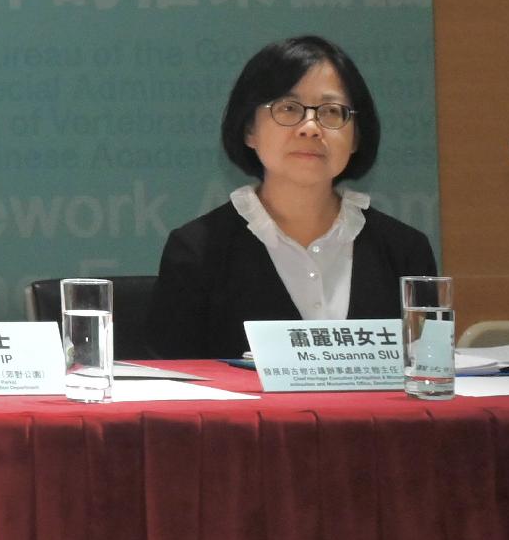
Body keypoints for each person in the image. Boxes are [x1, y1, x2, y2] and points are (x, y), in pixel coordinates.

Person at [145, 34, 438, 361]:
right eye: (288, 108)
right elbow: (173, 390)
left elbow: (432, 374)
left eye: (331, 111)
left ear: (356, 136)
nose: (310, 127)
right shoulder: (196, 252)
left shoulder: (406, 253)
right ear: (249, 130)